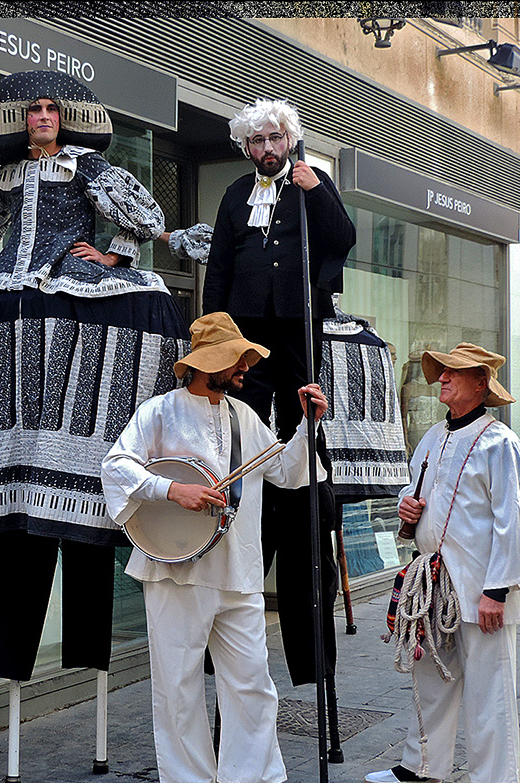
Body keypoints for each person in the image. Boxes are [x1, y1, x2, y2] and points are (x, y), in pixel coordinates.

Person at [0, 71, 189, 690]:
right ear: (22, 120)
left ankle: (83, 442)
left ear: (61, 118)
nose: (42, 117)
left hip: (69, 277)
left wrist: (115, 256)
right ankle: (6, 443)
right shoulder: (8, 175)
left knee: (111, 326)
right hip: (11, 280)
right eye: (33, 110)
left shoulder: (85, 166)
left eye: (49, 109)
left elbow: (145, 215)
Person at [101, 312, 327, 783]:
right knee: (178, 676)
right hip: (177, 568)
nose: (245, 367)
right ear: (208, 364)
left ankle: (262, 780)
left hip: (239, 568)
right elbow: (115, 466)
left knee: (252, 679)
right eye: (236, 359)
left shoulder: (244, 416)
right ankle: (189, 777)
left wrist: (307, 426)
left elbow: (289, 474)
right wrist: (172, 489)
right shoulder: (159, 412)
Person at [201, 97, 356, 690]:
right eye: (256, 141)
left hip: (297, 323)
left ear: (290, 139)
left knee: (299, 418)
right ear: (246, 147)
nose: (266, 149)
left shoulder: (309, 184)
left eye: (274, 138)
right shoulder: (237, 194)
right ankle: (242, 476)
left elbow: (343, 237)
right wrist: (214, 330)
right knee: (241, 418)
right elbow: (219, 263)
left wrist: (315, 189)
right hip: (245, 327)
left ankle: (299, 473)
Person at [364, 342, 520, 783]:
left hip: (483, 586)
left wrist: (496, 593)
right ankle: (422, 765)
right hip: (435, 583)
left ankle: (491, 777)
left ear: (481, 384)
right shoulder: (432, 436)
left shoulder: (499, 441)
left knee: (488, 679)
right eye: (440, 372)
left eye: (452, 373)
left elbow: (513, 520)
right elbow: (417, 493)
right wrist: (407, 507)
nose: (440, 378)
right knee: (430, 673)